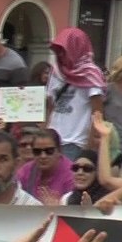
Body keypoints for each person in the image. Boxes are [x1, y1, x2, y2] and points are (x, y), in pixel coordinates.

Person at [46, 28, 106, 160]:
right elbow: (50, 105)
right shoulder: (55, 72)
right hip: (51, 140)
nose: (61, 54)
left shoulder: (92, 74)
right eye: (58, 50)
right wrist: (44, 132)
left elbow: (97, 114)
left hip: (75, 143)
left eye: (64, 50)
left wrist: (89, 146)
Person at [17, 128, 74, 203]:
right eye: (37, 151)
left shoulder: (72, 173)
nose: (43, 156)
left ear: (59, 151)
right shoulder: (26, 171)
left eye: (49, 151)